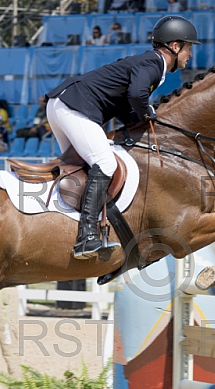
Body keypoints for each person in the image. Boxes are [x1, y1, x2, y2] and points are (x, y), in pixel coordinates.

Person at [45, 15, 198, 260]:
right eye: (189, 48)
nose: (190, 54)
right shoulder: (154, 63)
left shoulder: (147, 64)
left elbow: (126, 104)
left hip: (62, 104)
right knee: (104, 164)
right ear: (175, 46)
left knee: (78, 171)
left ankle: (61, 228)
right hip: (74, 107)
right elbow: (137, 96)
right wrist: (149, 114)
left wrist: (138, 122)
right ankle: (86, 238)